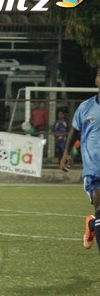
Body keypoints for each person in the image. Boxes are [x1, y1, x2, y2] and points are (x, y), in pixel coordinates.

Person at [60, 68, 100, 250]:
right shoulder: (85, 107)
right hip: (94, 168)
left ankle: (92, 224)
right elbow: (75, 130)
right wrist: (66, 152)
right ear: (96, 80)